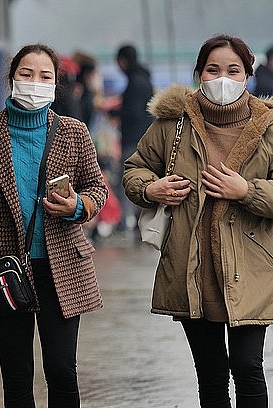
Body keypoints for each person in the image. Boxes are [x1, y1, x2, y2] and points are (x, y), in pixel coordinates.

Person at [0, 43, 107, 407]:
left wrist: (77, 205)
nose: (34, 82)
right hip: (5, 268)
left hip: (62, 265)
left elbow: (97, 188)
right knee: (16, 373)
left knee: (62, 370)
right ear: (11, 79)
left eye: (44, 76)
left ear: (55, 85)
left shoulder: (73, 132)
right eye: (26, 74)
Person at [123, 34, 273, 407]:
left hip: (252, 266)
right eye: (213, 69)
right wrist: (150, 189)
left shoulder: (269, 128)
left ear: (248, 76)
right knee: (210, 370)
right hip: (193, 266)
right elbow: (135, 170)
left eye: (233, 70)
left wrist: (247, 191)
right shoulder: (172, 124)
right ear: (199, 73)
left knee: (247, 366)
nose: (223, 78)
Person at [112, 44, 154, 232]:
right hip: (145, 139)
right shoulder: (144, 78)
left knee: (126, 180)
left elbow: (134, 112)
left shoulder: (135, 81)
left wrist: (116, 113)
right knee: (142, 180)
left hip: (133, 140)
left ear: (123, 61)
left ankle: (124, 223)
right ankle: (138, 221)